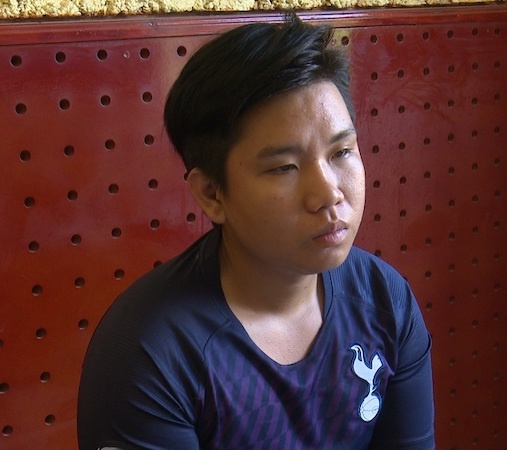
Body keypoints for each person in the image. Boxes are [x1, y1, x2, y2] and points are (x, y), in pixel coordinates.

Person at [77, 13, 434, 450]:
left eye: (342, 151)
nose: (328, 193)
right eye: (284, 167)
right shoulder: (151, 350)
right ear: (212, 194)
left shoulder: (385, 300)